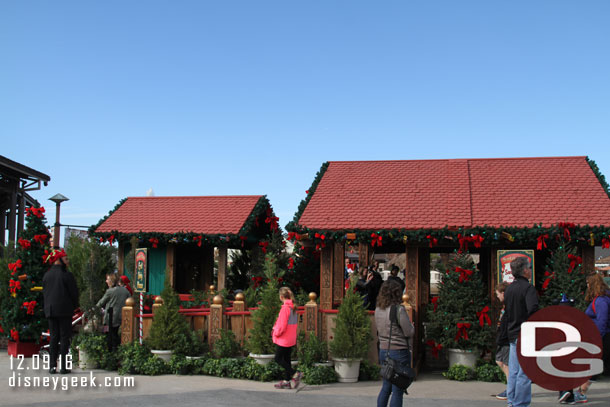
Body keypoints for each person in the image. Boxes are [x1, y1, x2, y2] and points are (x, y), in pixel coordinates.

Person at [566, 273, 610, 404]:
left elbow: (602, 322)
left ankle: (581, 392)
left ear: (592, 284)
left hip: (601, 337)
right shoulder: (602, 299)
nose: (587, 286)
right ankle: (580, 391)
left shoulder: (601, 301)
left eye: (588, 284)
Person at [375, 279, 415, 407]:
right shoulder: (398, 310)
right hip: (398, 351)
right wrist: (412, 326)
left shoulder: (378, 310)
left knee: (386, 387)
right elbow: (408, 332)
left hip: (383, 351)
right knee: (398, 390)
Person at [505, 257, 538, 407]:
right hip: (525, 332)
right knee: (524, 372)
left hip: (512, 331)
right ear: (525, 270)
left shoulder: (510, 288)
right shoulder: (528, 288)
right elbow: (532, 310)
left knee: (513, 371)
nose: (530, 270)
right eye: (529, 268)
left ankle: (511, 400)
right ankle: (521, 403)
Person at [42, 248, 79, 374]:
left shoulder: (47, 275)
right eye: (66, 259)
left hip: (51, 310)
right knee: (64, 338)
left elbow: (45, 294)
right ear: (59, 260)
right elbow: (74, 293)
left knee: (53, 338)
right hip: (64, 310)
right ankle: (63, 366)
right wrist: (75, 306)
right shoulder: (67, 275)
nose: (67, 261)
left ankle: (52, 366)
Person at [272, 287, 302, 389]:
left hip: (284, 338)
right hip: (291, 338)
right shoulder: (293, 308)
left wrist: (275, 333)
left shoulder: (285, 308)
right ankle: (287, 381)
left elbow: (282, 326)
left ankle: (295, 374)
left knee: (278, 358)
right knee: (286, 359)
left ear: (281, 297)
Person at [97, 273, 131, 351]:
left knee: (110, 336)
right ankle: (117, 350)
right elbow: (130, 300)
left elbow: (101, 302)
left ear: (112, 281)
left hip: (111, 317)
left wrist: (92, 309)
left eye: (107, 279)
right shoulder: (125, 290)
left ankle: (112, 352)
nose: (106, 281)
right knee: (115, 334)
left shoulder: (110, 291)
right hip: (122, 316)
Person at [494, 282, 510, 401]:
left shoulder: (509, 306)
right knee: (499, 361)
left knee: (506, 364)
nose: (497, 297)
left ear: (503, 293)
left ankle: (510, 389)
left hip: (506, 338)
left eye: (498, 294)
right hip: (502, 337)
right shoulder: (505, 306)